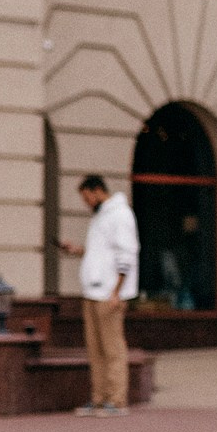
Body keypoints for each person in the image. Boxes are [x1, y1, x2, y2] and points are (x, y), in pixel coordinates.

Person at [71, 171, 139, 413]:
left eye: (87, 197)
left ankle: (117, 400)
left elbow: (126, 254)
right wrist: (79, 250)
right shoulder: (100, 217)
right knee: (95, 350)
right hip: (92, 292)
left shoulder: (120, 215)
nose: (86, 203)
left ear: (98, 190)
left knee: (112, 349)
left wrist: (117, 292)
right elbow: (102, 253)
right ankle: (99, 397)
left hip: (109, 294)